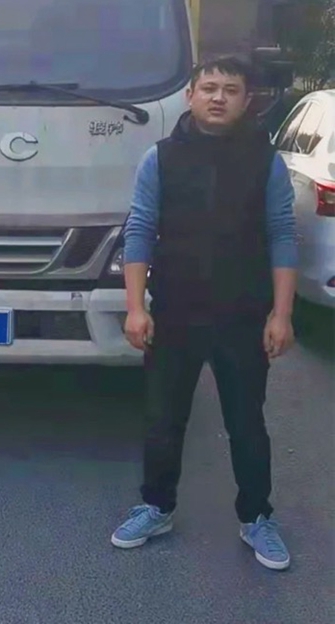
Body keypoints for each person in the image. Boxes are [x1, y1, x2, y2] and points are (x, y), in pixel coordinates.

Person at [111, 56, 297, 570]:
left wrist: (281, 315)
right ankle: (156, 507)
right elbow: (139, 231)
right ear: (190, 96)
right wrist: (135, 307)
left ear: (246, 101)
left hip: (243, 316)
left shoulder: (266, 163)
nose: (219, 97)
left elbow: (283, 235)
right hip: (175, 313)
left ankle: (256, 517)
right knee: (163, 420)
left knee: (247, 423)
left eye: (230, 90)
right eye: (209, 87)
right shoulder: (160, 159)